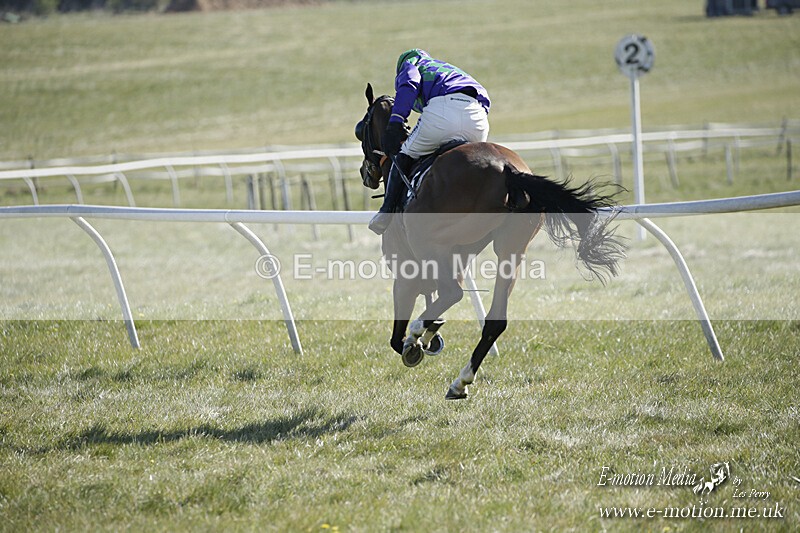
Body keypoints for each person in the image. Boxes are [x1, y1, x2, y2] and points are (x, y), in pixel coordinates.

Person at [368, 49, 491, 235]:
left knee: (405, 153)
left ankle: (386, 212)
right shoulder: (449, 70)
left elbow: (409, 85)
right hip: (478, 118)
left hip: (444, 111)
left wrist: (396, 122)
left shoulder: (411, 65)